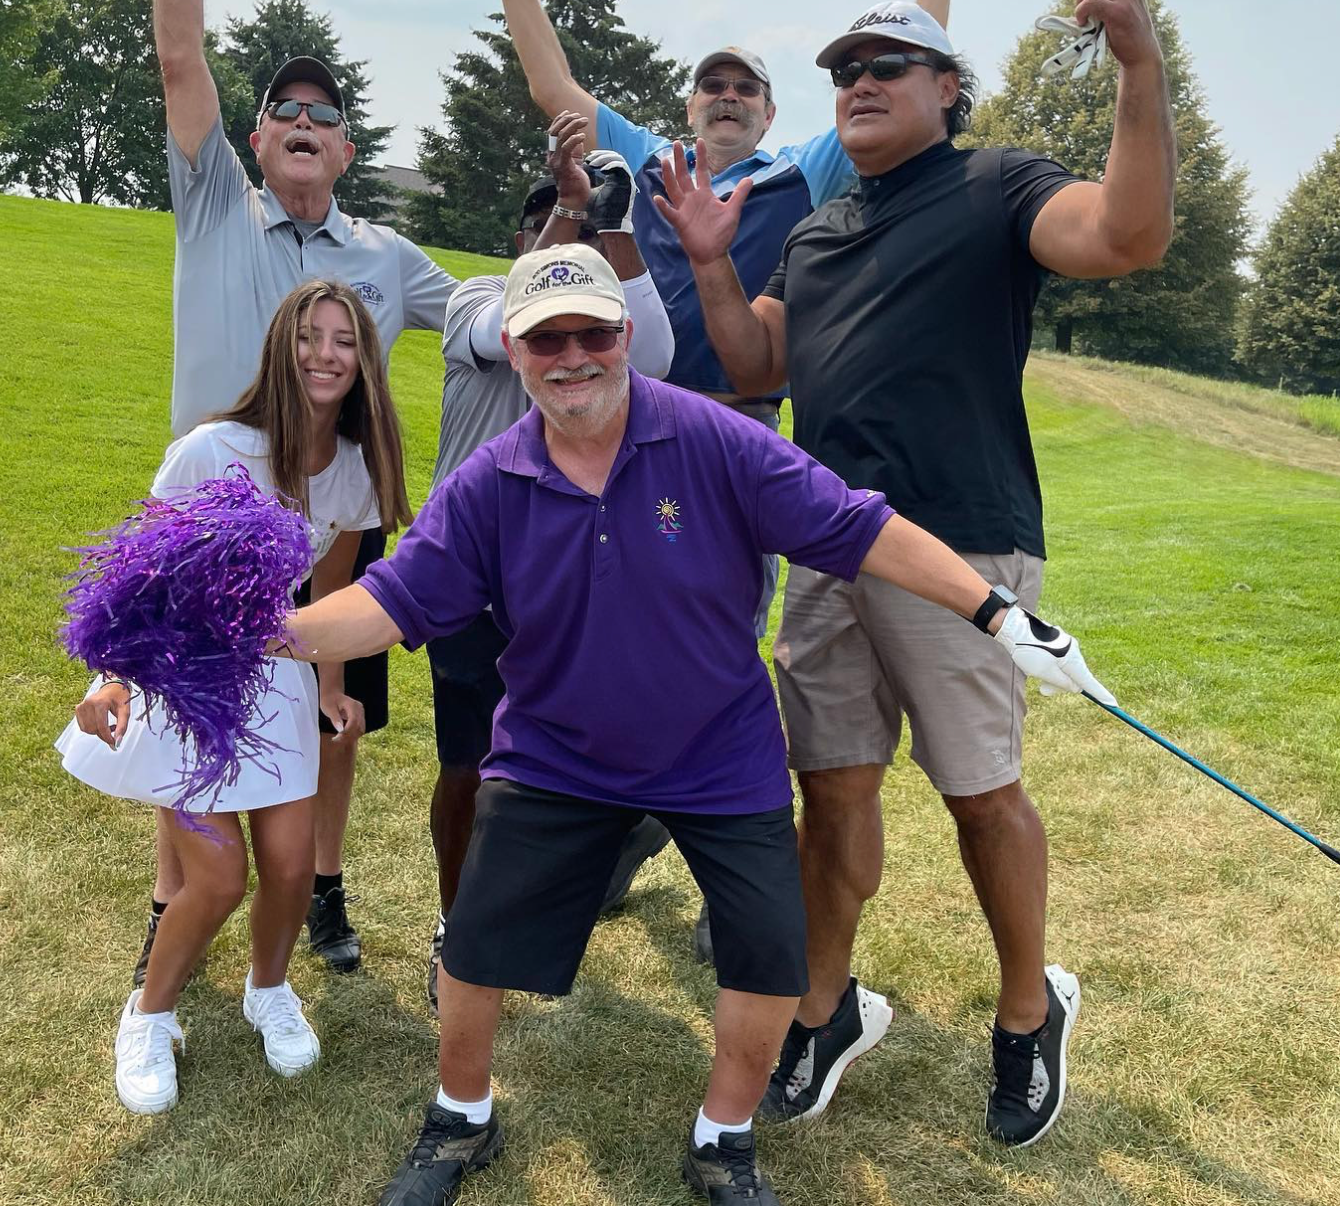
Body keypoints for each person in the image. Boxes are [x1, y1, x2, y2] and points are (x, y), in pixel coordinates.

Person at [269, 245, 1113, 1205]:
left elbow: (859, 525)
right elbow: (386, 602)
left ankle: (725, 1138)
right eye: (550, 338)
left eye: (594, 332)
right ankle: (462, 1115)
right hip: (555, 754)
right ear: (515, 349)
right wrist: (272, 633)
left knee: (766, 950)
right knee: (473, 941)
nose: (574, 355)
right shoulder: (489, 484)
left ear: (627, 336)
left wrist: (997, 614)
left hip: (718, 755)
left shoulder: (715, 440)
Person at [655, 0, 1176, 1145]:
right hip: (832, 551)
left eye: (891, 63)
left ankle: (1025, 1010)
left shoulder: (997, 184)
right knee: (831, 791)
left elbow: (1127, 232)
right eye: (845, 67)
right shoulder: (821, 224)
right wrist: (706, 262)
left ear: (950, 86)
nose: (860, 79)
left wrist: (1138, 65)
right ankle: (826, 1009)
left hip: (965, 551)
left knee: (981, 796)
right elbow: (755, 363)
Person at [446, 0, 988, 647]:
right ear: (690, 104)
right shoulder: (644, 156)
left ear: (771, 111)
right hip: (626, 415)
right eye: (711, 86)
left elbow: (906, 77)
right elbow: (550, 84)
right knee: (606, 612)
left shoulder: (804, 170)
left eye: (746, 87)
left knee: (722, 615)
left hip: (739, 423)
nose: (726, 96)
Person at [132, 0, 458, 979]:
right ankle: (173, 902)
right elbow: (179, 51)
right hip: (209, 511)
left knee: (335, 711)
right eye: (286, 111)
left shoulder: (386, 257)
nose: (306, 122)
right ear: (258, 139)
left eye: (327, 114)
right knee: (185, 703)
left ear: (349, 149)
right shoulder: (216, 203)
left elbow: (483, 312)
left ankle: (319, 882)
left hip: (330, 520)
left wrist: (579, 238)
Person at [58, 278, 409, 1114]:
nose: (326, 355)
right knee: (216, 874)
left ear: (364, 362)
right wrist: (110, 678)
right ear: (281, 348)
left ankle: (268, 989)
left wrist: (330, 686)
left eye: (345, 341)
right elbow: (137, 578)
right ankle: (148, 1014)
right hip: (186, 679)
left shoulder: (355, 464)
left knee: (291, 870)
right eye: (310, 337)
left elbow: (330, 584)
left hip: (277, 679)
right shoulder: (211, 449)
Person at [422, 112, 675, 1011]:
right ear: (518, 236)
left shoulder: (594, 341)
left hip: (571, 583)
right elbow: (517, 313)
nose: (551, 241)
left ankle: (589, 867)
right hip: (467, 580)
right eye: (539, 223)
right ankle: (458, 931)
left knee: (560, 762)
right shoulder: (473, 302)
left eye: (561, 225)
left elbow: (668, 353)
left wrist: (610, 228)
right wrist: (574, 213)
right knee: (467, 763)